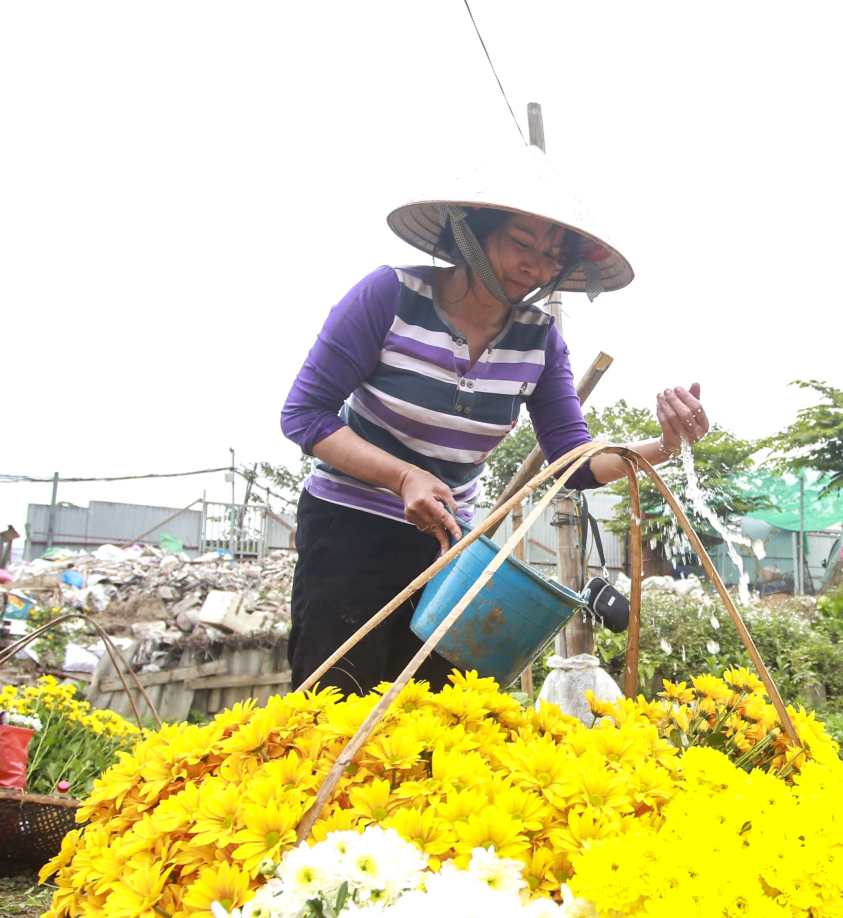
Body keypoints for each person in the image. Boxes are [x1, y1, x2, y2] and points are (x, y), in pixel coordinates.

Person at [280, 145, 709, 696]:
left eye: (551, 255)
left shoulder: (541, 342)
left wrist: (663, 446)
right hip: (348, 532)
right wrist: (403, 476)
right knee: (332, 704)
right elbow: (304, 415)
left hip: (450, 549)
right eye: (520, 243)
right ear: (472, 233)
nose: (535, 265)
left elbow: (571, 465)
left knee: (438, 714)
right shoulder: (388, 296)